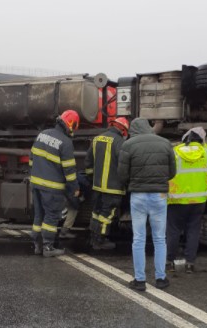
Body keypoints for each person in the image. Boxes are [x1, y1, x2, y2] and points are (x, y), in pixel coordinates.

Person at [117, 117, 176, 291]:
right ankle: (160, 278)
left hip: (138, 196)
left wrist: (133, 182)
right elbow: (172, 172)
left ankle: (140, 280)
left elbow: (122, 174)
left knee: (139, 238)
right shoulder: (165, 143)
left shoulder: (128, 145)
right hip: (159, 195)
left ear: (133, 129)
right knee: (159, 238)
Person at [29, 110, 80, 257]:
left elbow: (31, 157)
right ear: (71, 125)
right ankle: (48, 248)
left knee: (38, 216)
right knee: (51, 216)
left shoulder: (42, 134)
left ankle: (37, 245)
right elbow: (70, 171)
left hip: (36, 184)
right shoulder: (66, 142)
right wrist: (75, 189)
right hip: (52, 188)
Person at [166, 127, 207, 273]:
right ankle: (190, 263)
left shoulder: (175, 151)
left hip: (177, 198)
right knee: (193, 230)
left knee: (173, 231)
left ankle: (170, 262)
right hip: (199, 198)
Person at [85, 117, 129, 250]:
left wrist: (91, 178)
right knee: (107, 215)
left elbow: (88, 162)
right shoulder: (120, 142)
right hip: (113, 188)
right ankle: (100, 241)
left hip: (97, 186)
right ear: (122, 129)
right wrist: (126, 182)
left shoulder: (97, 139)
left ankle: (93, 237)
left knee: (96, 212)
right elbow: (124, 166)